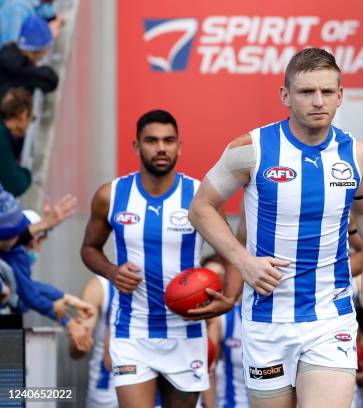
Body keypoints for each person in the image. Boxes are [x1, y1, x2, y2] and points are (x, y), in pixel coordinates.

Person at [187, 47, 363, 408]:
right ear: (285, 95)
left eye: (327, 92)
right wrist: (243, 261)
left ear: (340, 96)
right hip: (267, 317)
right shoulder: (251, 149)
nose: (318, 101)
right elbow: (201, 208)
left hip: (330, 316)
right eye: (306, 91)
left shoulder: (355, 154)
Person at [80, 110, 210, 408]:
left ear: (180, 145)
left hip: (185, 331)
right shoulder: (110, 195)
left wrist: (226, 298)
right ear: (136, 146)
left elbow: (231, 251)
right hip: (132, 330)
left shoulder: (199, 195)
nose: (161, 148)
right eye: (151, 140)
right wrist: (112, 272)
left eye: (169, 140)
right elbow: (89, 248)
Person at [0, 189, 92, 343]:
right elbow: (27, 297)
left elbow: (25, 288)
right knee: (8, 366)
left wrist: (65, 298)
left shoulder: (9, 253)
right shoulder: (16, 254)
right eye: (35, 241)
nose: (37, 249)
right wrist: (68, 321)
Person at [68, 275, 118, 408]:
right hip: (107, 390)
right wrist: (80, 339)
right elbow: (76, 351)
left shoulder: (167, 283)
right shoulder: (100, 286)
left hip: (157, 388)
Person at [0, 14, 58, 97]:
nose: (46, 52)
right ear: (38, 50)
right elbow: (50, 80)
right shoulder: (19, 67)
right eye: (45, 49)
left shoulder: (8, 52)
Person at [0, 87, 33, 196]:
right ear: (23, 114)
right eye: (31, 118)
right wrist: (26, 174)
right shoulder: (2, 138)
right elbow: (16, 184)